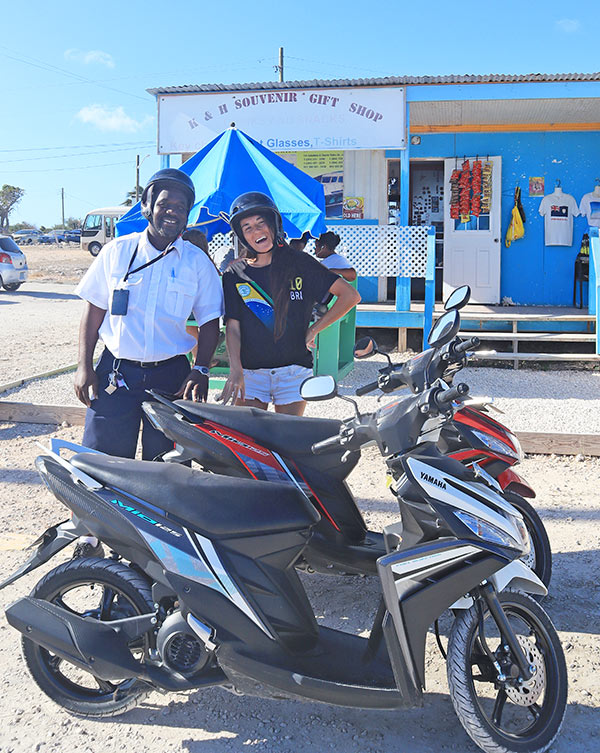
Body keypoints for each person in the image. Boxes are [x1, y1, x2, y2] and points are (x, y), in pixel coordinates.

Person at [74, 167, 224, 462]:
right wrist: (83, 366)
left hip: (171, 379)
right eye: (164, 204)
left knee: (167, 466)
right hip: (116, 374)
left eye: (181, 207)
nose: (173, 212)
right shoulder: (116, 252)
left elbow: (210, 323)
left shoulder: (197, 263)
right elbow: (92, 314)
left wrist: (201, 368)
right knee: (103, 465)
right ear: (146, 207)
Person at [219, 192, 360, 416]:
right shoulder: (233, 274)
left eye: (260, 223)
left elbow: (350, 296)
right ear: (241, 236)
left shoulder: (300, 262)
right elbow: (233, 327)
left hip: (293, 371)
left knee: (286, 440)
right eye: (247, 227)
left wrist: (314, 330)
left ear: (273, 225)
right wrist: (235, 368)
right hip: (250, 373)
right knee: (251, 442)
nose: (256, 231)